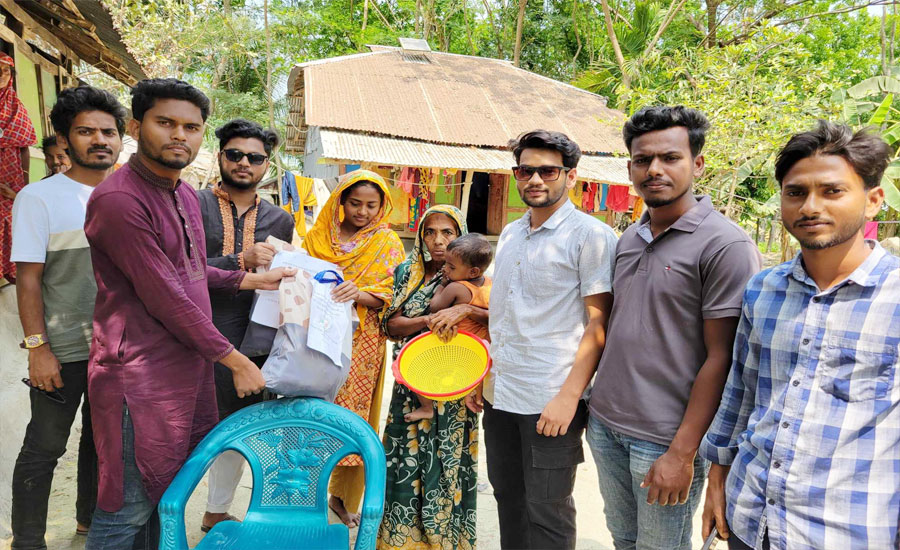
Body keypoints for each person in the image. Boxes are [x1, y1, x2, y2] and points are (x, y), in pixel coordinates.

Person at [82, 78, 293, 550]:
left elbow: (190, 272)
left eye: (191, 126)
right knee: (126, 507)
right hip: (137, 376)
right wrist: (235, 360)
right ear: (136, 127)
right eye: (166, 123)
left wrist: (249, 279)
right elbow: (165, 296)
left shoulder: (179, 193)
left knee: (163, 498)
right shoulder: (120, 201)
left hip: (182, 369)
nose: (180, 135)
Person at [701, 121, 900, 550]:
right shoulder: (763, 289)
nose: (811, 206)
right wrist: (717, 475)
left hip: (847, 532)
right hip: (751, 518)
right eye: (796, 193)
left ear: (872, 201)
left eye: (832, 191)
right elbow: (742, 389)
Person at [587, 106, 761, 550]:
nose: (655, 169)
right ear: (630, 168)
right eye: (643, 160)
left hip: (665, 438)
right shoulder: (630, 237)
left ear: (697, 164)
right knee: (624, 539)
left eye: (670, 157)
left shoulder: (725, 245)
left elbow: (722, 357)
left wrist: (682, 453)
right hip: (607, 424)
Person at [485, 129, 617, 550]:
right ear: (515, 174)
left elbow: (599, 323)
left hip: (550, 398)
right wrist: (484, 377)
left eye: (548, 171)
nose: (536, 180)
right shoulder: (510, 233)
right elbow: (503, 312)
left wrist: (568, 397)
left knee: (548, 510)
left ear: (571, 175)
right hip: (499, 392)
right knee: (509, 498)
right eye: (526, 170)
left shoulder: (590, 236)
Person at [9, 85, 125, 550]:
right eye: (86, 131)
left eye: (109, 131)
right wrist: (39, 349)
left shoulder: (131, 195)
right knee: (44, 447)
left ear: (122, 138)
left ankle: (87, 523)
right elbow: (29, 279)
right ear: (66, 138)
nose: (100, 139)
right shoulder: (40, 198)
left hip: (118, 349)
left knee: (102, 446)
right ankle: (29, 541)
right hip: (63, 348)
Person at [197, 119, 294, 532]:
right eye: (234, 154)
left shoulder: (281, 219)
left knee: (239, 426)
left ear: (266, 165)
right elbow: (172, 271)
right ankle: (157, 513)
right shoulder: (191, 204)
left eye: (254, 158)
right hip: (191, 331)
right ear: (220, 155)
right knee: (182, 428)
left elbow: (285, 282)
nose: (243, 163)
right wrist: (239, 262)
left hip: (250, 340)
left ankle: (216, 510)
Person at [378, 205, 487, 550]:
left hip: (457, 387)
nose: (437, 241)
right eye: (429, 232)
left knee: (449, 463)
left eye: (448, 233)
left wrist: (467, 310)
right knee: (404, 462)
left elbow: (504, 317)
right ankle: (400, 540)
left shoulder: (473, 281)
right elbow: (391, 326)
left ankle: (445, 540)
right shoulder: (407, 274)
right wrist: (428, 321)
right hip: (413, 381)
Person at [301, 169, 404, 526]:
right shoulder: (319, 235)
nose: (362, 212)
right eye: (355, 203)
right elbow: (301, 273)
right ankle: (303, 492)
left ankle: (342, 498)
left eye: (371, 206)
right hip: (313, 335)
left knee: (353, 416)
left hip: (361, 342)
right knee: (311, 408)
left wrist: (359, 293)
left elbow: (394, 293)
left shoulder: (387, 242)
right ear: (341, 201)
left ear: (382, 206)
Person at [404, 232, 493, 422]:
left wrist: (442, 285)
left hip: (454, 344)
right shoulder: (490, 285)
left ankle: (426, 406)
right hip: (480, 348)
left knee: (413, 359)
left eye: (451, 267)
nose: (445, 269)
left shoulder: (456, 287)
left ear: (473, 272)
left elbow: (435, 307)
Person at [0, 52, 37, 283]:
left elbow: (24, 145)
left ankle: (11, 274)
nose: (2, 75)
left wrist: (23, 180)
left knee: (12, 222)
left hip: (11, 176)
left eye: (6, 70)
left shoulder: (16, 106)